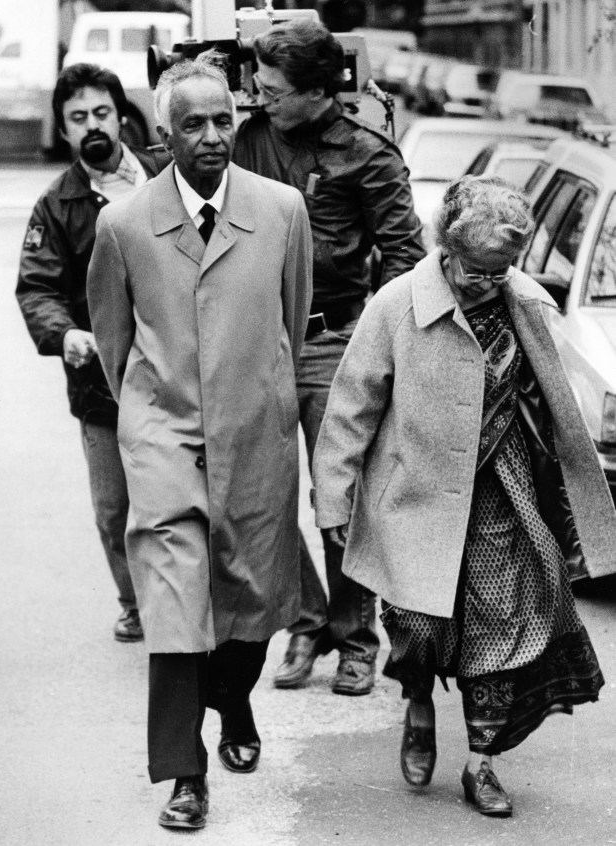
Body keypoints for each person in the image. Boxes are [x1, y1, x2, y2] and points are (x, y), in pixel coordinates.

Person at [312, 176, 616, 816]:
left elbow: (554, 403)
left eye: (500, 271)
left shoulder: (525, 302)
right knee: (418, 628)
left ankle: (482, 763)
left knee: (499, 632)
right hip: (414, 496)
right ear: (443, 250)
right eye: (476, 271)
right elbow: (349, 410)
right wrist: (333, 499)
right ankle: (418, 703)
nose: (488, 282)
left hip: (501, 492)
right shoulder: (396, 306)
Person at [86, 53, 312, 829]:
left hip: (254, 431)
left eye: (225, 120)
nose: (213, 136)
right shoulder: (122, 225)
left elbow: (291, 314)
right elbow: (115, 346)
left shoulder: (281, 210)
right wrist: (153, 419)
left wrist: (268, 403)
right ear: (163, 132)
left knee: (250, 599)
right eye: (194, 124)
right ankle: (185, 775)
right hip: (164, 436)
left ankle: (234, 703)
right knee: (178, 607)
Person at [233, 20, 426, 696]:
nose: (264, 100)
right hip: (254, 339)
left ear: (320, 92)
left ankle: (354, 636)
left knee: (337, 496)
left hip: (330, 342)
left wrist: (381, 345)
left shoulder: (367, 154)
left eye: (278, 92)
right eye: (259, 87)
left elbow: (406, 259)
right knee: (258, 496)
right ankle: (305, 621)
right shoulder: (244, 139)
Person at [16, 63, 169, 642]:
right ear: (63, 128)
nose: (92, 126)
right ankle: (133, 600)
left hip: (177, 375)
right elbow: (37, 287)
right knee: (114, 508)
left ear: (121, 115)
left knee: (181, 502)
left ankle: (187, 600)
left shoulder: (166, 174)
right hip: (101, 386)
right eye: (78, 118)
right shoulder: (57, 205)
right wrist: (64, 334)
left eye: (101, 112)